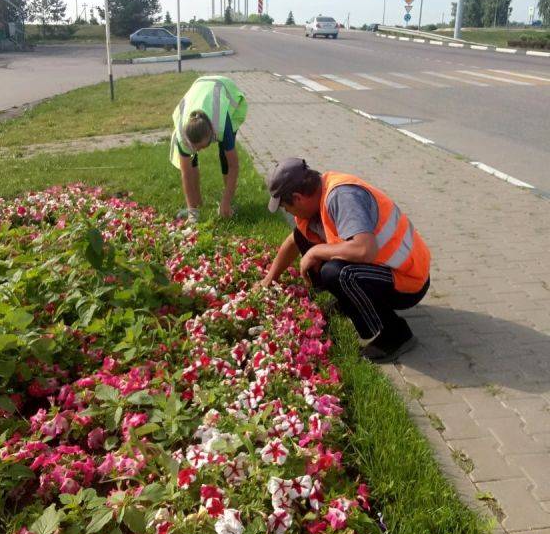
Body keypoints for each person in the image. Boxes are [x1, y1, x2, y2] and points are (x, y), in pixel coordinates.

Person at [260, 157, 431, 362]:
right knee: (306, 240)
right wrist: (268, 279)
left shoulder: (341, 197)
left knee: (336, 273)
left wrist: (316, 252)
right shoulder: (317, 199)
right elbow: (294, 241)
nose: (287, 212)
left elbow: (365, 250)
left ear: (297, 198)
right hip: (385, 269)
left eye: (286, 207)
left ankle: (395, 334)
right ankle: (350, 302)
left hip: (408, 280)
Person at [170, 75, 247, 220]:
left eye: (202, 146)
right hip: (198, 86)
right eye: (196, 147)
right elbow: (186, 173)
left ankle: (229, 203)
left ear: (212, 133)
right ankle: (196, 205)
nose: (199, 150)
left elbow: (233, 166)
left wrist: (225, 201)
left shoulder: (222, 124)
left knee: (225, 156)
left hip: (222, 86)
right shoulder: (182, 133)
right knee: (191, 161)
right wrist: (192, 211)